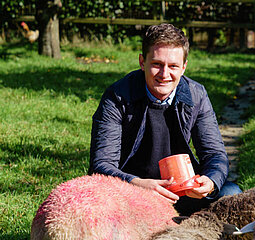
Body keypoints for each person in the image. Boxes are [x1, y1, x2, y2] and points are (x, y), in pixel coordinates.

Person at [89, 23, 241, 215]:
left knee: (232, 193)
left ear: (184, 67)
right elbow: (101, 164)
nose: (164, 74)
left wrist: (209, 182)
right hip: (132, 192)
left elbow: (215, 155)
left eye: (173, 66)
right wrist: (138, 185)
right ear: (142, 62)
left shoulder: (197, 95)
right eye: (157, 65)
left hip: (183, 192)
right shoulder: (117, 96)